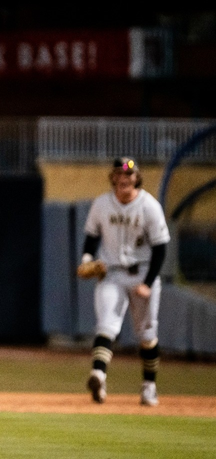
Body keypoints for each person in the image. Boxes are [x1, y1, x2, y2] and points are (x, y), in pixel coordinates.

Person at [78, 157, 170, 406]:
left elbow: (161, 248)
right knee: (106, 324)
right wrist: (87, 259)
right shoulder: (102, 204)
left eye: (129, 175)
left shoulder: (148, 205)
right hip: (111, 273)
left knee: (147, 334)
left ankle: (149, 387)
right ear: (114, 179)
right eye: (120, 175)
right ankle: (98, 375)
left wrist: (148, 283)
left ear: (136, 178)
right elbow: (91, 236)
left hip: (142, 272)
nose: (124, 179)